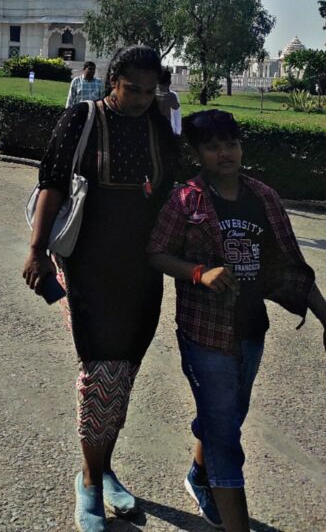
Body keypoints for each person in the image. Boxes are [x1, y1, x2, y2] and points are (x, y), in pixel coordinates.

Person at [23, 45, 178, 532]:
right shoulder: (83, 117)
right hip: (88, 262)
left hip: (141, 265)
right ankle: (89, 480)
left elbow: (177, 180)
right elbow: (51, 181)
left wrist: (173, 114)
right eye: (131, 89)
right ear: (113, 81)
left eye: (150, 91)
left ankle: (104, 466)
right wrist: (37, 249)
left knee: (124, 370)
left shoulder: (157, 121)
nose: (139, 99)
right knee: (103, 368)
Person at [148, 110, 326, 532]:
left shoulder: (263, 196)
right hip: (205, 334)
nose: (224, 153)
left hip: (250, 333)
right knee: (226, 437)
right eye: (212, 146)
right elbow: (155, 252)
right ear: (197, 152)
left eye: (230, 143)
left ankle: (198, 475)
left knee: (225, 418)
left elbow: (292, 268)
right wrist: (198, 272)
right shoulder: (186, 201)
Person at [156, 66, 182, 135]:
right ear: (169, 82)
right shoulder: (171, 96)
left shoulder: (173, 95)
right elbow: (177, 111)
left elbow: (177, 116)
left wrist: (177, 132)